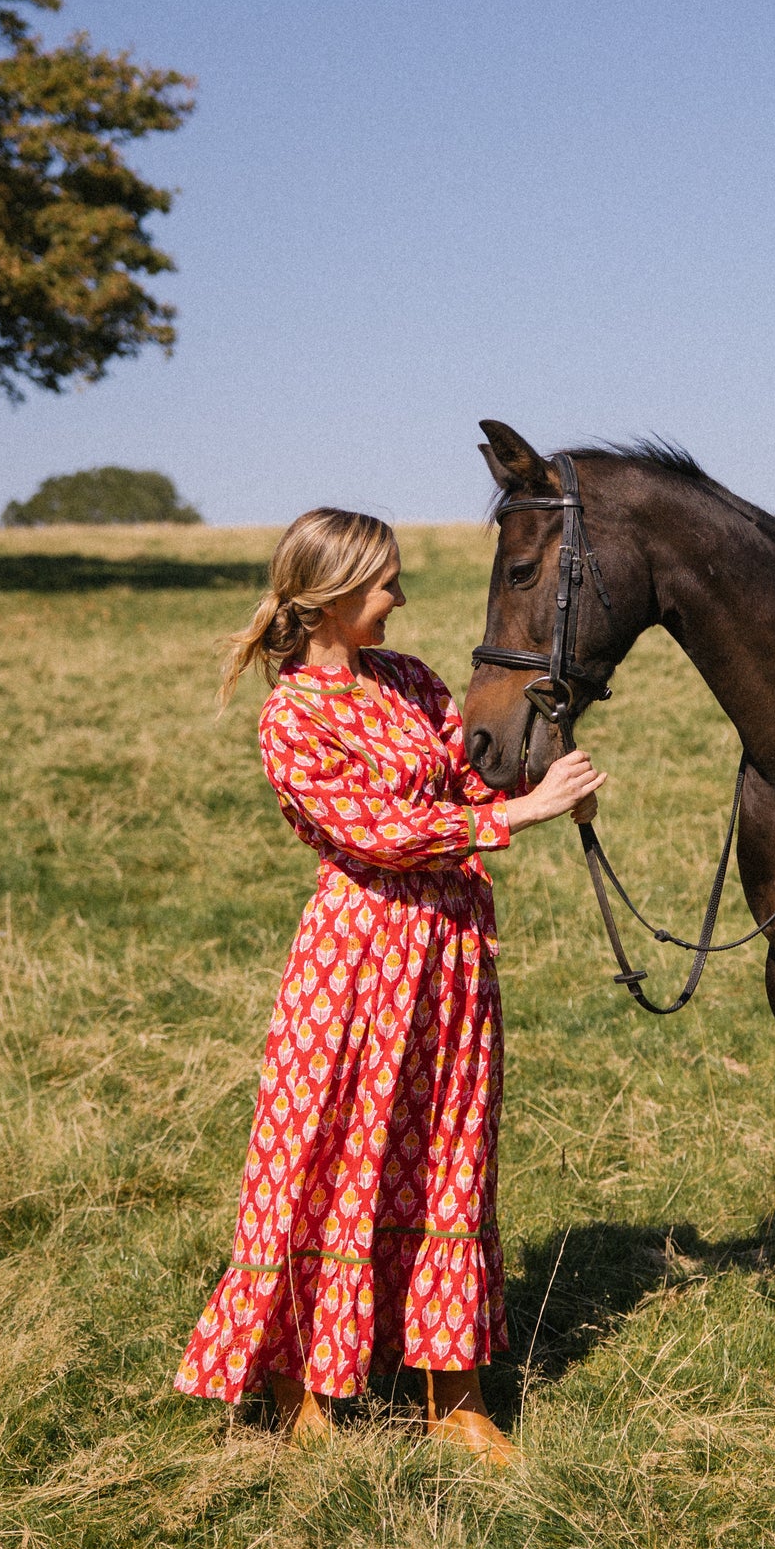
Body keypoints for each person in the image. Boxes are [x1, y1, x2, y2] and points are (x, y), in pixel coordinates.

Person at [174, 507, 602, 1464]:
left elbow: (464, 774)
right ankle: (302, 1388)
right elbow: (379, 834)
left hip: (450, 953)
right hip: (357, 960)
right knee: (327, 1154)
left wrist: (535, 759)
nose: (399, 598)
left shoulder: (410, 678)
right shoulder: (292, 716)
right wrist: (524, 816)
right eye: (383, 585)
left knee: (449, 1151)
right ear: (328, 594)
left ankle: (451, 1393)